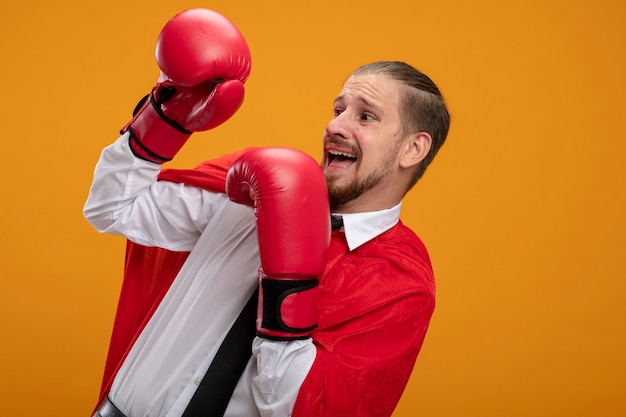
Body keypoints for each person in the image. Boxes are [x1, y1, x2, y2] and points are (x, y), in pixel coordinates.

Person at [84, 8, 450, 417]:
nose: (336, 126)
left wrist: (286, 284)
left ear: (413, 149)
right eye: (338, 110)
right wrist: (165, 117)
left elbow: (305, 409)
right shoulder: (254, 188)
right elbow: (113, 209)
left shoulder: (400, 284)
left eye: (365, 116)